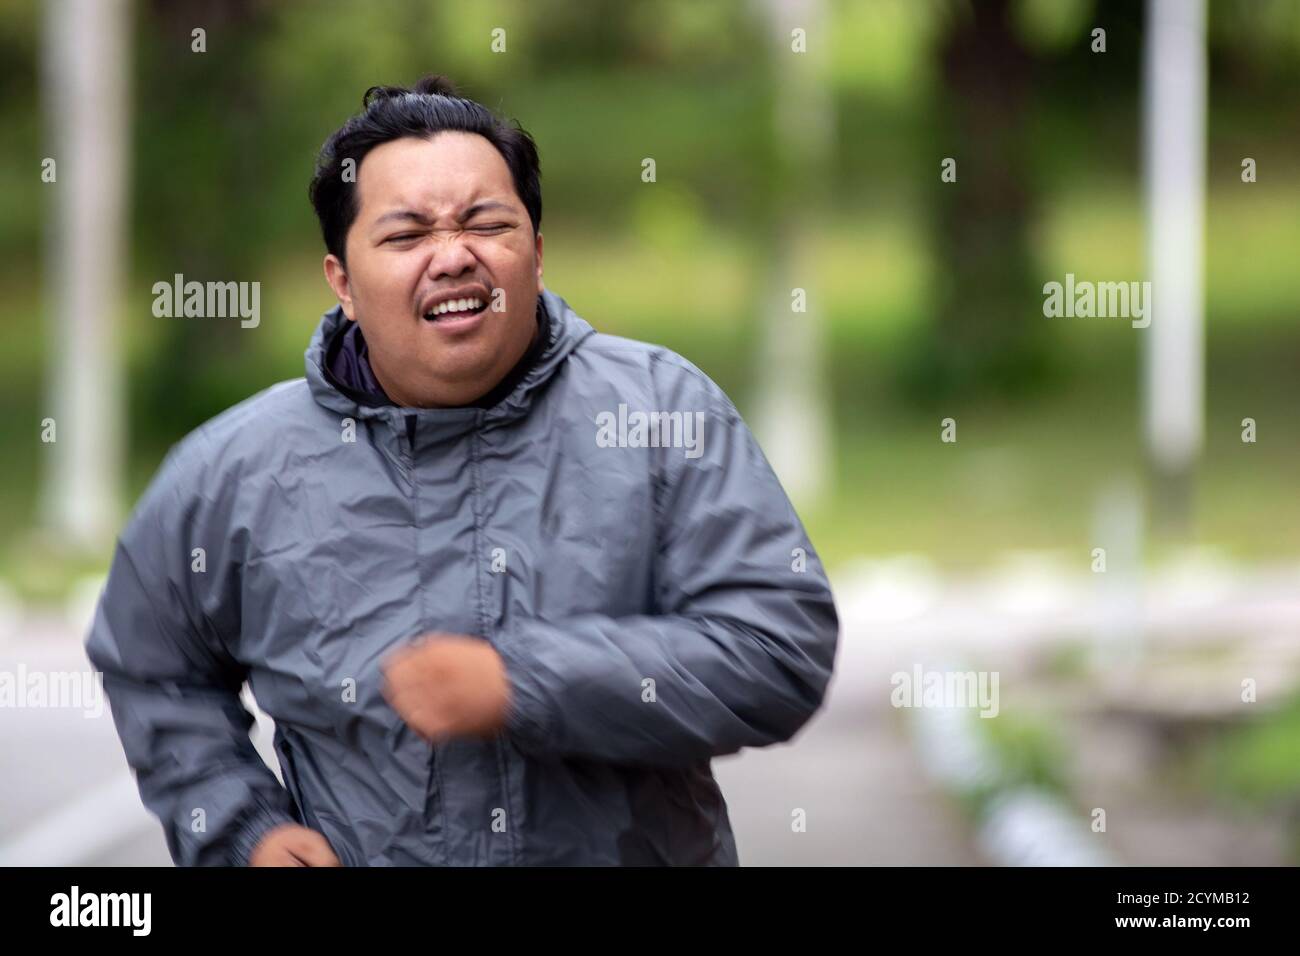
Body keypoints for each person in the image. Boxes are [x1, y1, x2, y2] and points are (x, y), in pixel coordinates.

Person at [85, 75, 839, 866]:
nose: (452, 256)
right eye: (406, 235)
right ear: (341, 280)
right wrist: (244, 832)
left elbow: (777, 648)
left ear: (538, 255)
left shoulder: (659, 413)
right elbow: (151, 662)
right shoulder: (234, 470)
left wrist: (527, 682)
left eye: (486, 223)